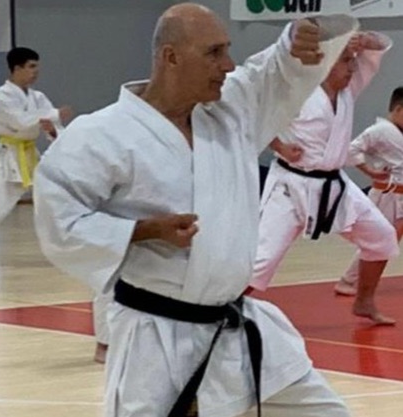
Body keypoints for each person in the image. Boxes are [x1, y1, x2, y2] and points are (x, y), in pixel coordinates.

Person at [33, 3, 357, 417]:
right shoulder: (100, 135)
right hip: (156, 339)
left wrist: (297, 39)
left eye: (227, 50)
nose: (228, 65)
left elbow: (272, 72)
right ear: (170, 57)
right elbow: (60, 222)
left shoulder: (231, 111)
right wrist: (144, 230)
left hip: (236, 330)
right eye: (214, 53)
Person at [250, 32, 399, 325]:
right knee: (261, 261)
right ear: (324, 63)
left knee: (382, 237)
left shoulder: (347, 90)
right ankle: (220, 311)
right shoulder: (296, 91)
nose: (353, 67)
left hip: (335, 186)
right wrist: (279, 147)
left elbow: (376, 51)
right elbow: (255, 118)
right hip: (290, 186)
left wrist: (364, 42)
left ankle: (364, 301)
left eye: (352, 61)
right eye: (345, 61)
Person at [0, 47, 72, 252]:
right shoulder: (2, 95)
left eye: (37, 67)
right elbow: (20, 122)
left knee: (57, 199)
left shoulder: (38, 97)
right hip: (9, 157)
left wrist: (52, 129)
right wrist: (53, 115)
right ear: (17, 68)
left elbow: (53, 127)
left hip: (31, 157)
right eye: (31, 66)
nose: (36, 71)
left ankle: (72, 248)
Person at [334, 86, 403, 296]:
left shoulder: (396, 133)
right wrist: (369, 171)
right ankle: (349, 280)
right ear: (399, 109)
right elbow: (351, 149)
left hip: (398, 195)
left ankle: (357, 280)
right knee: (381, 239)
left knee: (386, 240)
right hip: (388, 195)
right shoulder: (380, 131)